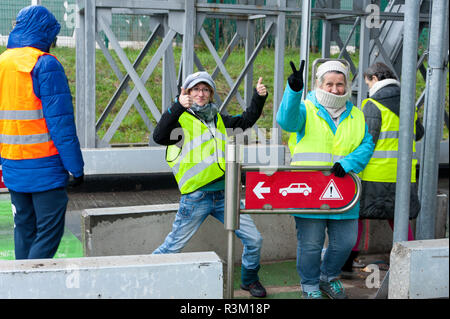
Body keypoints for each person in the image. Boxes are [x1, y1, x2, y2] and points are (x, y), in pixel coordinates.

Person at [152, 71, 268, 298]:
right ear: (187, 92)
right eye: (195, 89)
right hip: (196, 198)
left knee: (255, 239)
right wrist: (176, 105)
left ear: (211, 94)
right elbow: (159, 136)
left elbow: (246, 120)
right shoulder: (180, 120)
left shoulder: (218, 119)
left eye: (205, 89)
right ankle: (145, 279)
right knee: (171, 247)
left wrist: (258, 97)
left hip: (226, 195)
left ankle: (249, 280)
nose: (201, 94)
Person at [276, 60, 375, 299]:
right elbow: (285, 121)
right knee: (310, 244)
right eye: (329, 83)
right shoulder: (305, 109)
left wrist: (348, 163)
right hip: (309, 191)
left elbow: (366, 144)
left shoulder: (357, 115)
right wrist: (294, 90)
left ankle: (328, 277)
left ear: (346, 85)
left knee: (345, 242)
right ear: (319, 84)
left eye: (340, 84)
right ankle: (309, 284)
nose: (335, 89)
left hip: (344, 191)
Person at [0, 5, 84, 259]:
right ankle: (32, 285)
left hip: (12, 164)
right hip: (45, 166)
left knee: (24, 227)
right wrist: (76, 168)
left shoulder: (3, 63)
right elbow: (61, 125)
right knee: (48, 231)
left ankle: (19, 286)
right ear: (45, 33)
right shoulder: (44, 64)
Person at [342, 62, 424, 271]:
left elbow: (366, 140)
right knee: (399, 217)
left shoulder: (373, 105)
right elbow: (419, 133)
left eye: (368, 82)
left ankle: (347, 262)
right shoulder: (409, 104)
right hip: (404, 175)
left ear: (375, 79)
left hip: (375, 174)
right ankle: (411, 260)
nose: (368, 87)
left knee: (356, 214)